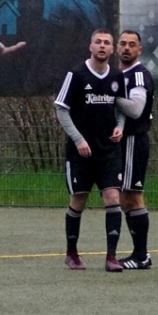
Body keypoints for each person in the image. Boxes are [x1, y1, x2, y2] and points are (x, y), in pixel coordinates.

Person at [55, 28, 128, 272]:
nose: (102, 46)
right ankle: (72, 253)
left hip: (109, 151)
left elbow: (120, 108)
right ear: (90, 46)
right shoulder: (76, 74)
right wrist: (78, 139)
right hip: (81, 152)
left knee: (113, 197)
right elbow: (61, 109)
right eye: (98, 42)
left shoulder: (117, 76)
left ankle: (111, 257)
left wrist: (119, 127)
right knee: (79, 200)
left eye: (107, 43)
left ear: (112, 48)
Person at [114, 30, 155, 269]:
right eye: (123, 44)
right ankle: (139, 254)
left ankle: (141, 256)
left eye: (132, 45)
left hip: (133, 140)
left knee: (132, 196)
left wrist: (108, 95)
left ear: (140, 50)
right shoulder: (118, 74)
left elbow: (136, 110)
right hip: (121, 142)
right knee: (123, 197)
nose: (127, 48)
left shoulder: (138, 76)